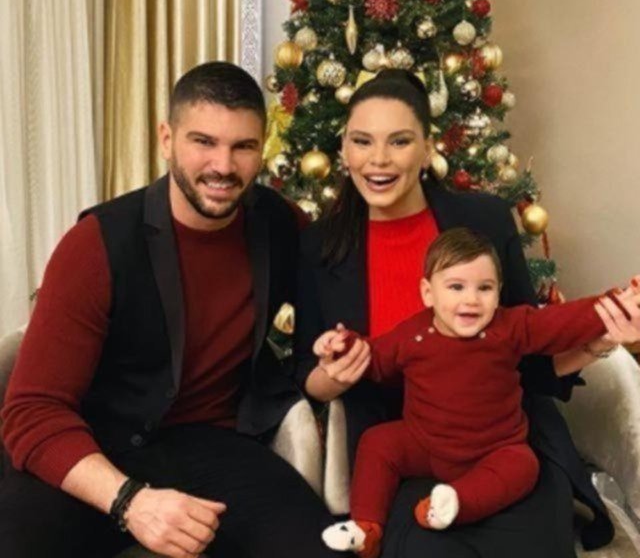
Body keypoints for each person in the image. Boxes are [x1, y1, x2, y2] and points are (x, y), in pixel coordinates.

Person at [0, 61, 341, 558]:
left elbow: (346, 276)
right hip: (92, 446)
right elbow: (31, 411)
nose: (223, 166)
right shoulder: (95, 244)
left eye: (243, 146)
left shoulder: (280, 223)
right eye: (203, 141)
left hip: (210, 445)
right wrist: (131, 503)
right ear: (167, 139)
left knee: (322, 549)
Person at [294, 69, 640, 558]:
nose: (378, 159)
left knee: (530, 539)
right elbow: (305, 373)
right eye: (361, 141)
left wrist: (599, 342)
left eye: (399, 141)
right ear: (344, 149)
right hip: (404, 453)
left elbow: (527, 345)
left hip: (504, 440)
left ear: (427, 147)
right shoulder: (319, 246)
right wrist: (334, 374)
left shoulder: (484, 219)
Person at [315, 227, 640, 558]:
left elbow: (562, 321)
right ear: (428, 293)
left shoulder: (511, 327)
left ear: (498, 293)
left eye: (484, 288)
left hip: (495, 448)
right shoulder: (412, 335)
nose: (471, 299)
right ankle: (366, 528)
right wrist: (343, 346)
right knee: (377, 442)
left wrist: (620, 303)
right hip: (425, 443)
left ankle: (457, 503)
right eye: (456, 287)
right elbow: (373, 358)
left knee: (524, 465)